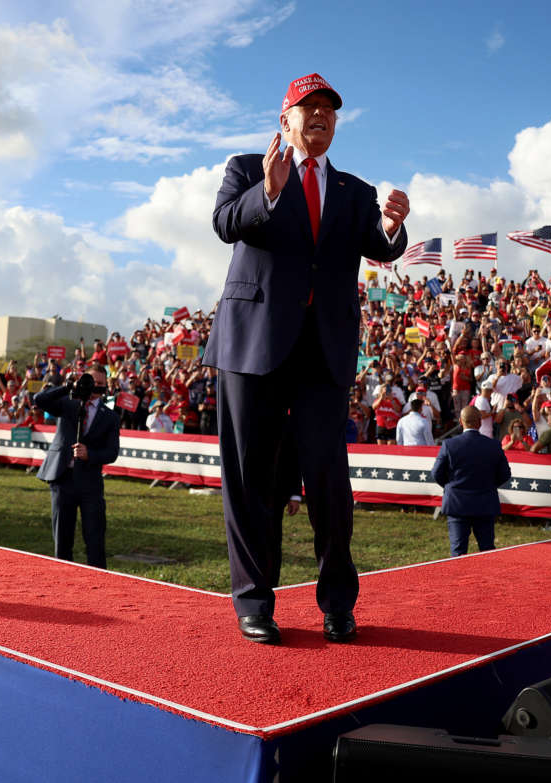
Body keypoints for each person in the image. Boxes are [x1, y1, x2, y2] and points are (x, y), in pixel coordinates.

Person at [202, 72, 410, 645]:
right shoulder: (246, 169)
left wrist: (393, 226)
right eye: (308, 107)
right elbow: (224, 225)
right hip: (253, 345)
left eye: (330, 110)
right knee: (250, 479)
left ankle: (338, 603)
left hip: (323, 350)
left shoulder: (355, 192)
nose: (320, 116)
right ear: (284, 119)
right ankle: (254, 602)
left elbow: (382, 247)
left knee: (328, 479)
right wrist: (266, 193)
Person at [34, 368, 121, 568]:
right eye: (90, 381)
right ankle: (64, 577)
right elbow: (39, 399)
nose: (94, 386)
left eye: (99, 383)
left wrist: (90, 454)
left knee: (95, 536)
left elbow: (112, 453)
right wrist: (68, 387)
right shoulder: (67, 404)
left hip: (90, 482)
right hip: (62, 478)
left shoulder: (110, 416)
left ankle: (98, 579)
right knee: (62, 537)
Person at [433, 406, 512, 557]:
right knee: (487, 550)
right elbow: (505, 474)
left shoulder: (449, 445)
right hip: (485, 503)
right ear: (480, 422)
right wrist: (488, 486)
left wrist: (451, 486)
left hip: (457, 504)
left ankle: (458, 580)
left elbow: (436, 473)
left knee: (458, 551)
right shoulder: (493, 445)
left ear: (461, 422)